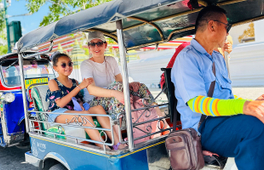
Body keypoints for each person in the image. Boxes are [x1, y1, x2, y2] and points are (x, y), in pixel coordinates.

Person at [171, 5, 264, 169]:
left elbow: (226, 99)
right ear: (212, 26)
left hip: (221, 121)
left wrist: (252, 104)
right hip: (202, 129)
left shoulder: (217, 58)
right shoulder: (187, 59)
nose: (228, 33)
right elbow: (198, 104)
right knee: (254, 129)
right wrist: (245, 107)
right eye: (227, 27)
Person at [80, 31, 167, 124]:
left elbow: (120, 81)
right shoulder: (86, 64)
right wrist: (115, 93)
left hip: (113, 94)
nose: (96, 47)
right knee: (117, 88)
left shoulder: (111, 60)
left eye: (99, 43)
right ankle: (122, 131)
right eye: (92, 44)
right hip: (93, 101)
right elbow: (91, 90)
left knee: (141, 87)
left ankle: (161, 122)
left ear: (105, 45)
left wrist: (130, 85)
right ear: (89, 47)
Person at [45, 52, 126, 150]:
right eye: (63, 65)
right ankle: (104, 147)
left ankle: (117, 144)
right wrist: (79, 87)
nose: (68, 67)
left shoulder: (74, 81)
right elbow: (60, 103)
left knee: (99, 108)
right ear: (55, 68)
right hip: (58, 112)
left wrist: (80, 103)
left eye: (70, 64)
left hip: (74, 110)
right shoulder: (53, 82)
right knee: (84, 115)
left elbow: (78, 98)